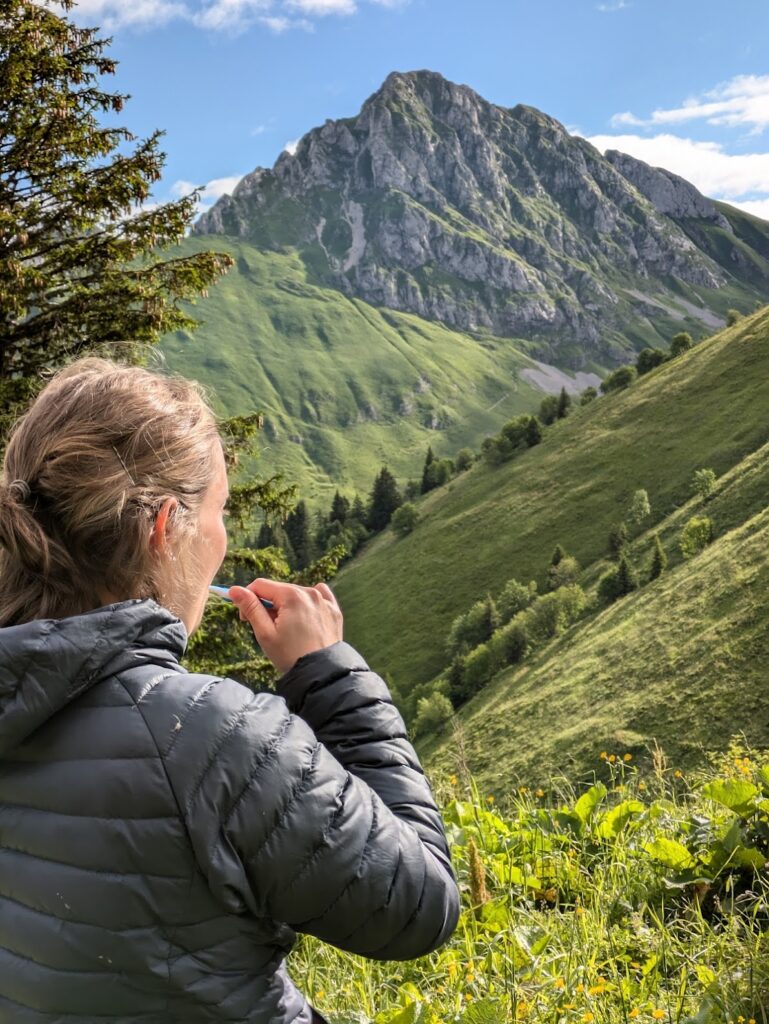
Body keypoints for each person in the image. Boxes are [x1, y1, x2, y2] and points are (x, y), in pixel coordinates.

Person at [0, 357, 460, 1023]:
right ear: (164, 528)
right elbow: (417, 906)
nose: (222, 538)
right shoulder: (208, 733)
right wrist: (329, 675)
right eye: (218, 512)